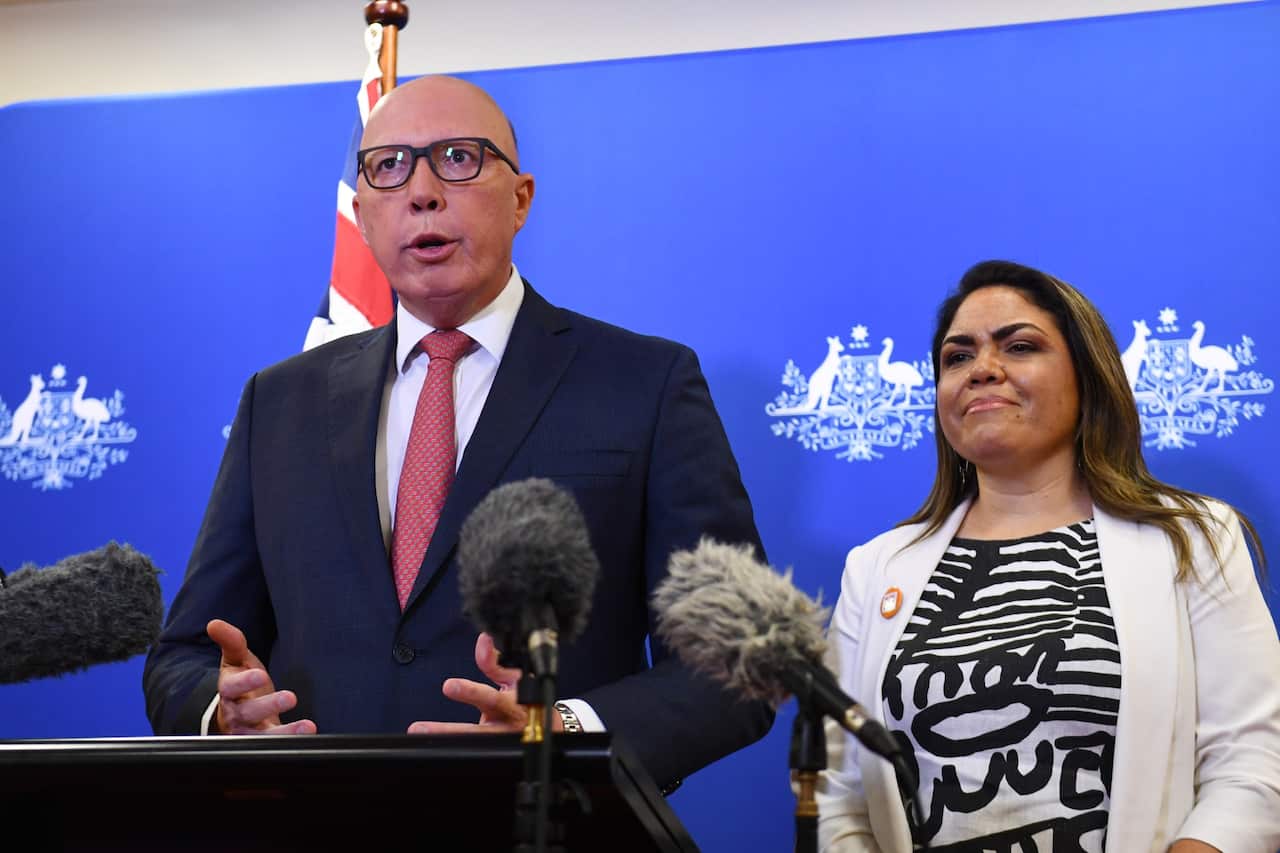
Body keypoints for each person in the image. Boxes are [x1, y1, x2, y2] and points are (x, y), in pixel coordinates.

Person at [142, 75, 772, 790]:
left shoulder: (646, 383)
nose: (423, 191)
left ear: (522, 198)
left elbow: (733, 662)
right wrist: (220, 711)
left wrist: (559, 729)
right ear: (363, 209)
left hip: (544, 824)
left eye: (459, 158)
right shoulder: (279, 401)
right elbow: (185, 657)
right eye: (390, 166)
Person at [817, 260, 1280, 852]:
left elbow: (1252, 764)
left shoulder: (1193, 538)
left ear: (1088, 377)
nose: (983, 369)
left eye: (1019, 346)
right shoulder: (878, 568)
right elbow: (840, 794)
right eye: (957, 357)